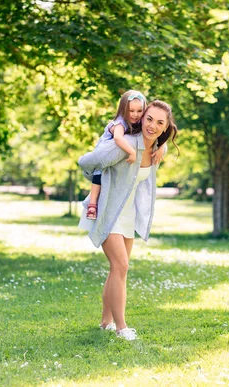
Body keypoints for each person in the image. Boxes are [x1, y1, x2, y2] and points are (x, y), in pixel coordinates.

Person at [78, 100, 178, 341]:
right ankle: (122, 328)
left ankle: (106, 322)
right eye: (149, 119)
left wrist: (160, 149)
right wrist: (100, 177)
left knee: (117, 271)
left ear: (166, 128)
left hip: (127, 216)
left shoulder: (155, 149)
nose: (152, 125)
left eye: (159, 122)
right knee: (122, 267)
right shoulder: (125, 145)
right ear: (142, 118)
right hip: (107, 212)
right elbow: (86, 161)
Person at [86, 90, 165, 220]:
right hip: (105, 153)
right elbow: (117, 138)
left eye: (139, 111)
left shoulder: (140, 122)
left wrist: (161, 147)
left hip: (118, 159)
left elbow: (157, 135)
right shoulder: (120, 122)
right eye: (131, 110)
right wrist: (131, 152)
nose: (135, 115)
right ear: (123, 109)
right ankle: (93, 204)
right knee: (99, 175)